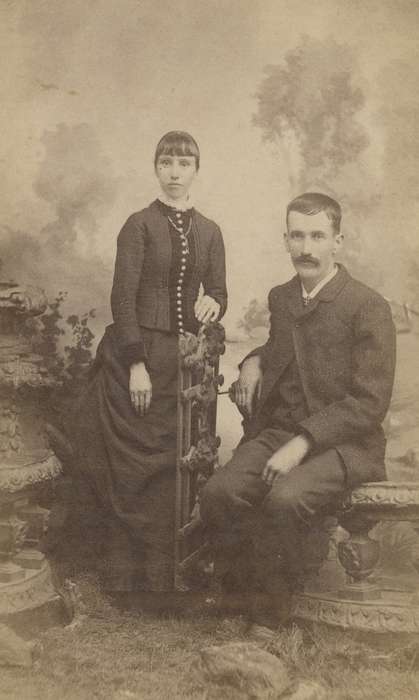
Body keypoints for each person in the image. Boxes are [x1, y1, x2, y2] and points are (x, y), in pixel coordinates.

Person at [200, 192, 396, 629]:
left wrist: (304, 442)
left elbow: (369, 402)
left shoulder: (367, 306)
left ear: (337, 241)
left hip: (346, 445)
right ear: (286, 240)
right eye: (297, 236)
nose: (306, 248)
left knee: (285, 498)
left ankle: (270, 618)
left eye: (317, 236)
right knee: (219, 492)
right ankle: (239, 599)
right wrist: (253, 361)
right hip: (280, 431)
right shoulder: (284, 297)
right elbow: (281, 350)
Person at [77, 131, 227, 597]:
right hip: (136, 358)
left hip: (181, 363)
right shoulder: (138, 224)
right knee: (132, 471)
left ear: (197, 170)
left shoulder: (210, 231)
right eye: (167, 162)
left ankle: (168, 583)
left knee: (171, 468)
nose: (175, 172)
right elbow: (123, 297)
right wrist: (136, 362)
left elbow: (219, 291)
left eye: (184, 163)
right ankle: (127, 583)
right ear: (156, 168)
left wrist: (213, 306)